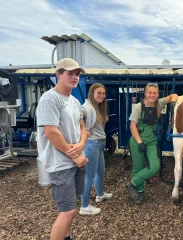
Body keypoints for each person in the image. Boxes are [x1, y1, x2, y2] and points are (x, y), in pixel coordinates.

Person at [37, 58, 88, 240]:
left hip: (75, 160)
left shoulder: (74, 101)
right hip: (61, 163)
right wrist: (74, 156)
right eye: (70, 73)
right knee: (67, 211)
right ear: (58, 74)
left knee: (71, 208)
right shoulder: (49, 99)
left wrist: (82, 144)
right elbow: (51, 132)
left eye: (77, 74)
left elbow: (82, 126)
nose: (75, 77)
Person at [125, 83, 178, 204]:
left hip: (151, 140)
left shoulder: (159, 103)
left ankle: (131, 183)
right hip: (137, 139)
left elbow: (173, 96)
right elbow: (132, 126)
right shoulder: (138, 107)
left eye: (154, 93)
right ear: (145, 93)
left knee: (155, 166)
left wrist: (173, 103)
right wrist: (139, 142)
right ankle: (139, 193)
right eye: (149, 92)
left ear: (158, 94)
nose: (152, 95)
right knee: (137, 167)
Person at [80, 83, 113, 215]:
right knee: (89, 175)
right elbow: (77, 117)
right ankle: (84, 206)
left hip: (99, 144)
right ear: (92, 94)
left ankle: (100, 195)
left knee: (101, 171)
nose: (102, 96)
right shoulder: (86, 107)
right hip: (92, 144)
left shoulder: (97, 107)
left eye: (104, 94)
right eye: (99, 93)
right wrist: (84, 131)